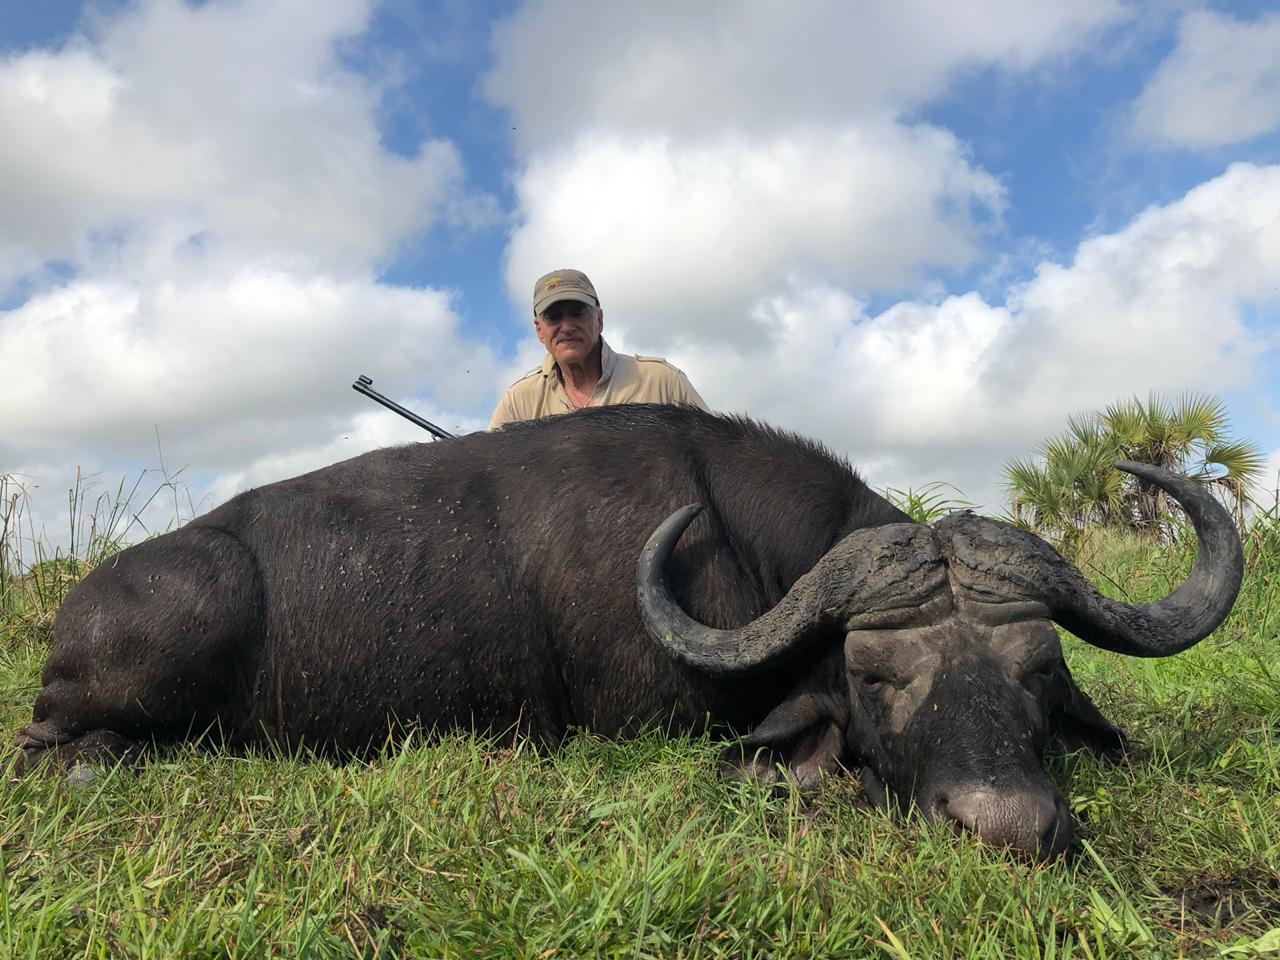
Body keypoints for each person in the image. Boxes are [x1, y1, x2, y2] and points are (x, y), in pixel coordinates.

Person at [488, 268, 707, 429]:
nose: (567, 327)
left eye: (577, 312)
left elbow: (718, 462)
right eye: (553, 317)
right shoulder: (518, 403)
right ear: (539, 330)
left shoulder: (663, 383)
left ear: (599, 319)